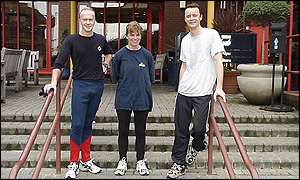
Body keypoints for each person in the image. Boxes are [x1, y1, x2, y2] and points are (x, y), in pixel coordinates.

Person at [43, 7, 113, 179]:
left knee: (88, 123)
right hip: (80, 86)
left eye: (91, 19)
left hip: (97, 87)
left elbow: (109, 53)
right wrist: (53, 83)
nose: (88, 22)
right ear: (80, 21)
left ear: (94, 20)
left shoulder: (100, 39)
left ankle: (86, 160)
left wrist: (105, 65)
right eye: (85, 19)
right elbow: (59, 64)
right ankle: (73, 162)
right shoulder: (71, 41)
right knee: (77, 124)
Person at [166, 3, 226, 179]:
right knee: (180, 130)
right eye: (188, 16)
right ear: (185, 19)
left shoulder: (211, 35)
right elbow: (184, 65)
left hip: (203, 93)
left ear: (200, 17)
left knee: (199, 129)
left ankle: (198, 144)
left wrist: (220, 87)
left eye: (194, 15)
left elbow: (218, 61)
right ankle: (178, 163)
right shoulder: (185, 40)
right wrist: (179, 87)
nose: (191, 18)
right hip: (184, 92)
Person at [111, 21, 154, 176]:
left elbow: (151, 79)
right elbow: (114, 78)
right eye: (132, 34)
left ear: (140, 36)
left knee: (140, 132)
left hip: (142, 99)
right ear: (126, 36)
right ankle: (122, 160)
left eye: (137, 35)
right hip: (123, 99)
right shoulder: (120, 55)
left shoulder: (147, 55)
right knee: (123, 131)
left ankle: (140, 161)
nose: (135, 38)